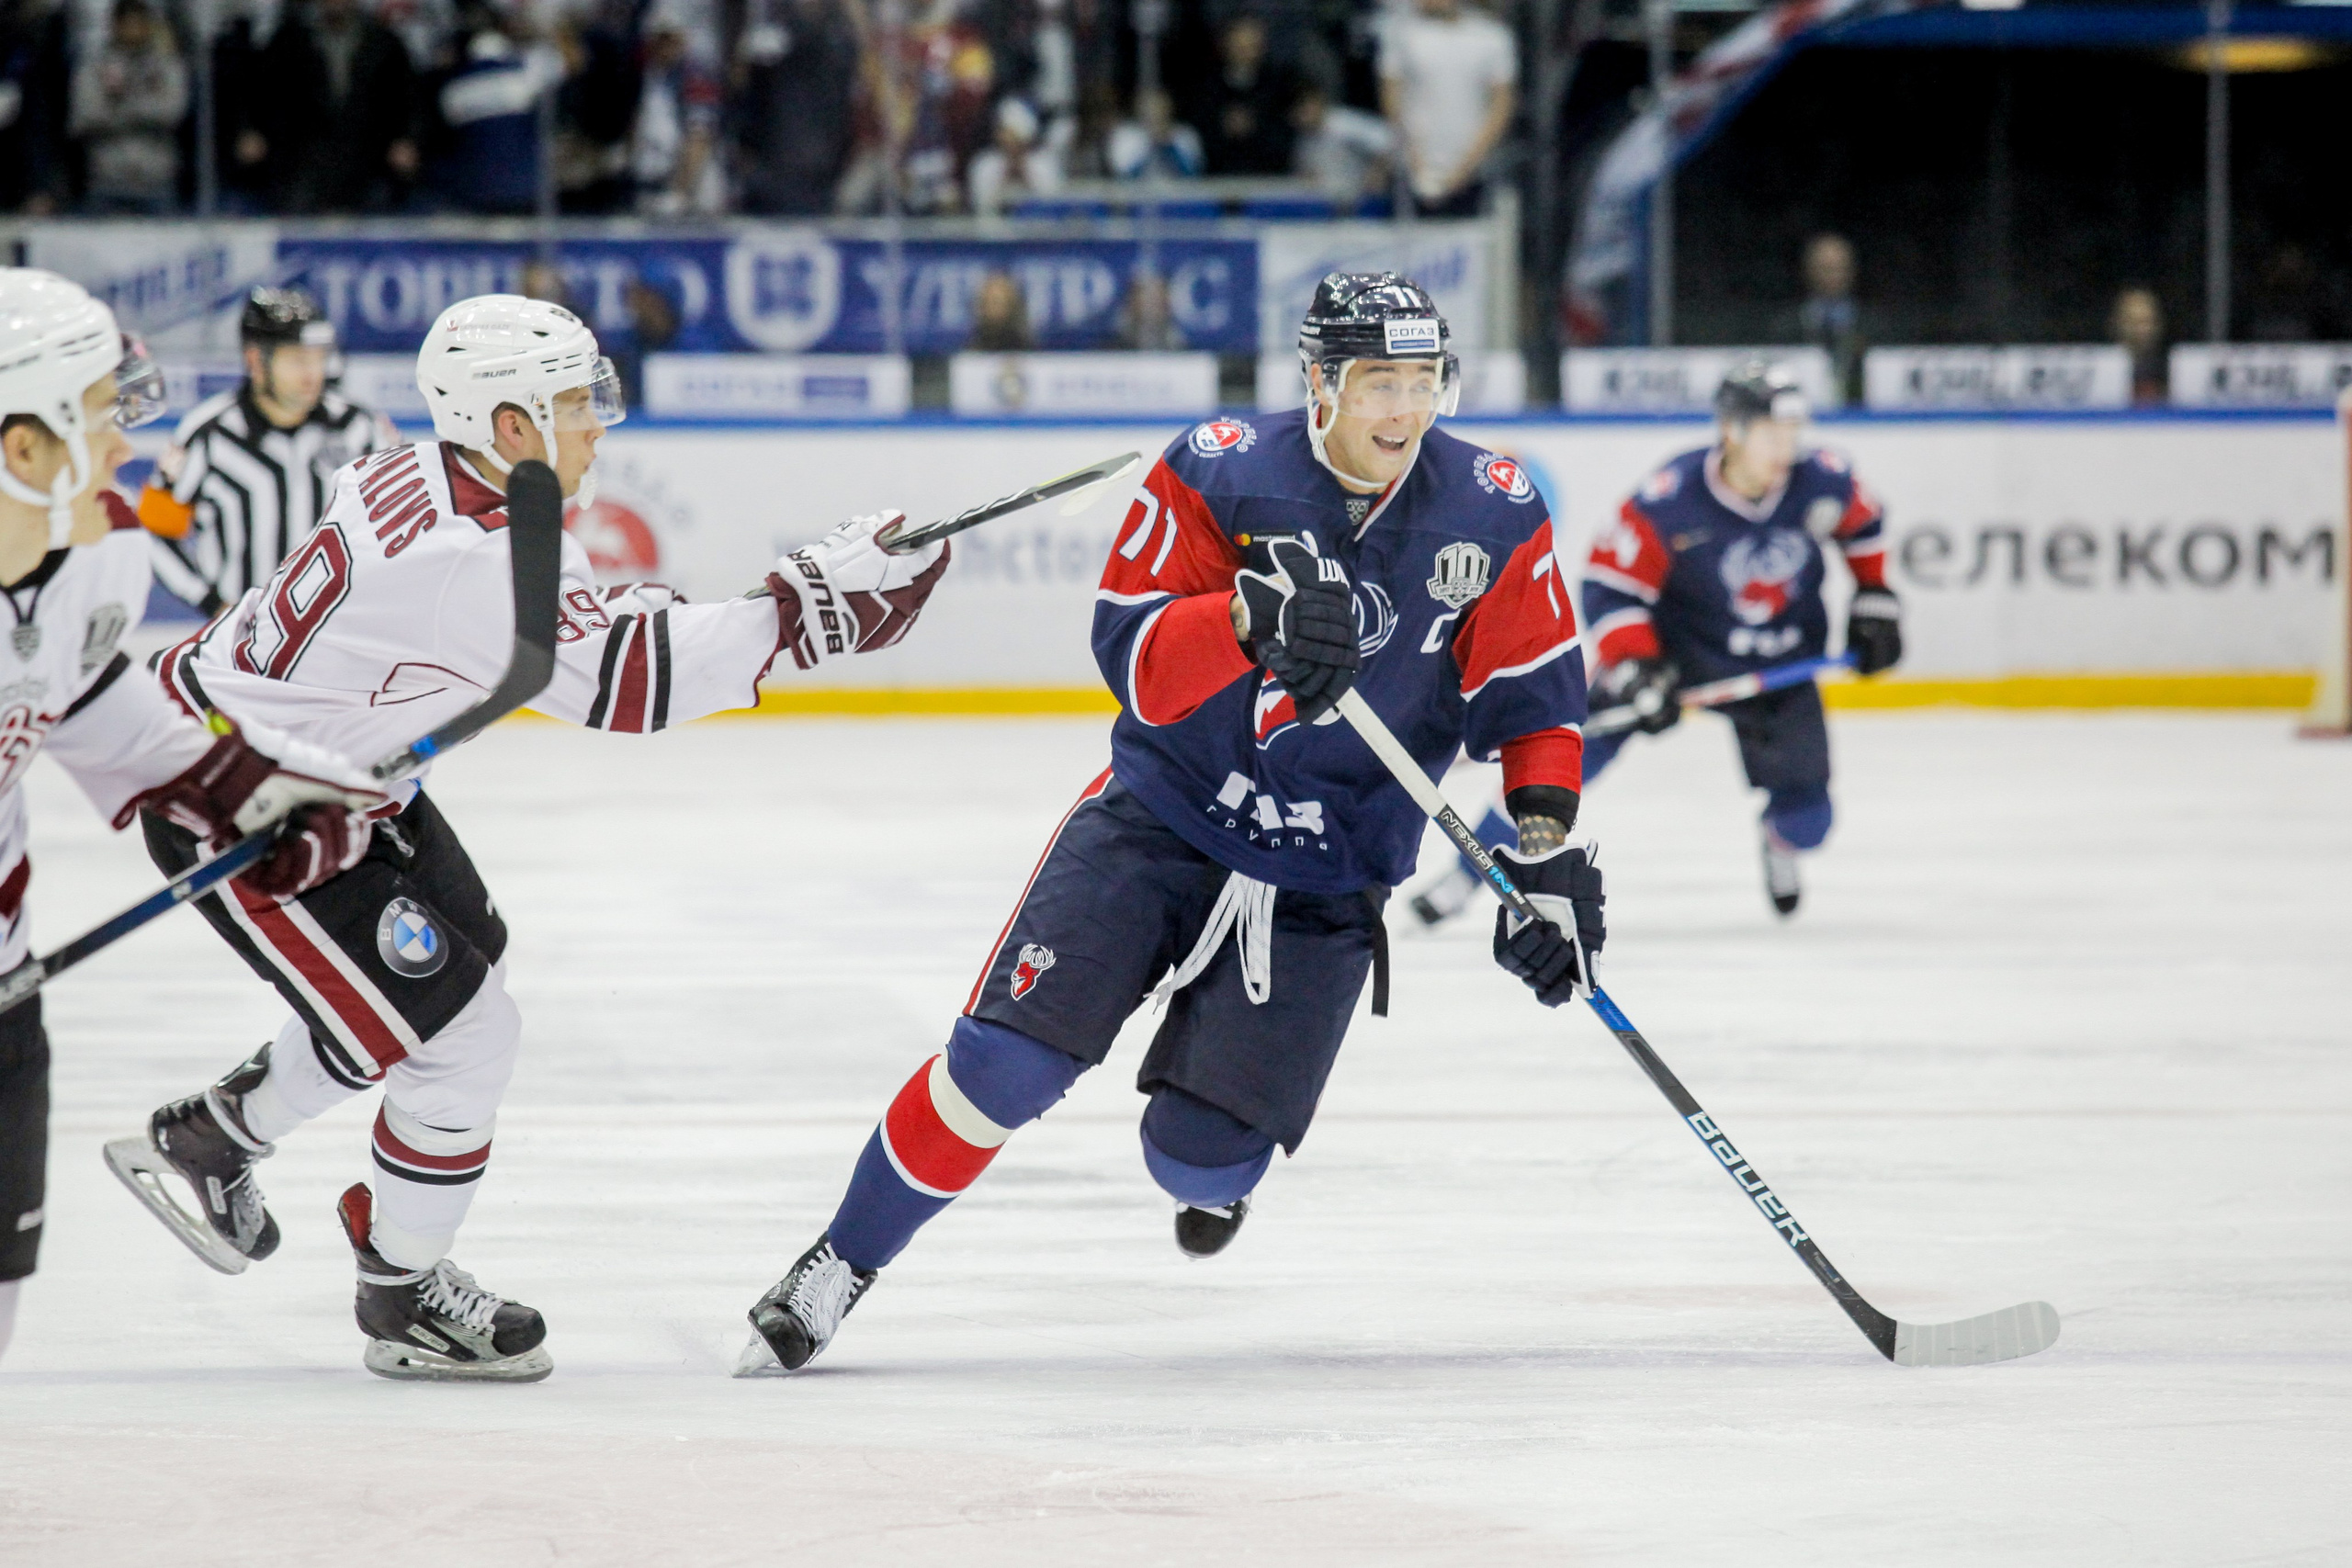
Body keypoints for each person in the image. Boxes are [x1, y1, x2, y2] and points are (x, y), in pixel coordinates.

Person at [735, 272, 1603, 1375]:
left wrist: (1540, 856)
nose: (1402, 409)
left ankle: (1216, 1167)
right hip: (1161, 820)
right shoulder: (1221, 467)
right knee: (997, 1066)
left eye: (1423, 380)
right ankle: (839, 1263)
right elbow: (1133, 666)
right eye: (1378, 380)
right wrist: (1242, 618)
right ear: (1318, 383)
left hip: (1328, 874)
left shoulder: (1491, 503)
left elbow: (1535, 701)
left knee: (1196, 1164)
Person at [108, 294, 952, 1382]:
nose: (600, 420)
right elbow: (626, 683)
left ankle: (221, 1134)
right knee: (463, 1034)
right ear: (507, 424)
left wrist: (775, 598)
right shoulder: (469, 557)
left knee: (457, 970)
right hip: (250, 810)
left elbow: (575, 623)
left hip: (328, 782)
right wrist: (800, 613)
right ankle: (402, 1291)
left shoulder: (429, 479)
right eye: (574, 401)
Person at [0, 268, 380, 1364]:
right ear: (22, 448)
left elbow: (112, 720)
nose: (123, 447)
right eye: (96, 418)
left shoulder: (89, 561)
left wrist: (267, 789)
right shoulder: (176, 476)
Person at [1582, 361, 1898, 916]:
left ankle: (1777, 844)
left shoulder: (1820, 481)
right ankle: (1471, 873)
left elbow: (1865, 526)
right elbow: (1611, 587)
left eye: (1793, 434)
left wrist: (1874, 597)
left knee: (1808, 822)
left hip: (1782, 664)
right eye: (1771, 434)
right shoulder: (1670, 498)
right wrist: (1635, 666)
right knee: (1565, 751)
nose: (1786, 448)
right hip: (1678, 659)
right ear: (1732, 431)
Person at [140, 288, 398, 618]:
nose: (312, 373)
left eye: (319, 357)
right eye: (296, 359)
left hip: (342, 633)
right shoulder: (208, 435)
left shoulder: (361, 429)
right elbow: (154, 532)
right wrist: (213, 605)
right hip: (244, 645)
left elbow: (404, 523)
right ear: (255, 360)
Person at [237, 0, 420, 214]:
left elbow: (408, 98)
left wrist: (408, 139)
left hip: (368, 164)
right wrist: (249, 130)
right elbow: (259, 92)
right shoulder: (290, 40)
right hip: (302, 165)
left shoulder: (383, 42)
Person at [1379, 0, 1513, 219]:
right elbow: (1392, 98)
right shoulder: (1401, 33)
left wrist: (1466, 167)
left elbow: (1500, 106)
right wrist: (1414, 159)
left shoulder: (1492, 37)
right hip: (1413, 172)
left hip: (1471, 173)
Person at [67, 0, 187, 213]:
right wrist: (144, 111)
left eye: (139, 23)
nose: (133, 30)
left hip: (157, 182)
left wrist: (122, 106)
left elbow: (173, 112)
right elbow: (84, 116)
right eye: (127, 24)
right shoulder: (94, 66)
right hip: (106, 182)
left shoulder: (166, 65)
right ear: (114, 26)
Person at [1185, 14, 1298, 176]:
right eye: (1240, 47)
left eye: (1252, 47)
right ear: (1226, 46)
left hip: (1269, 178)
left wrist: (1254, 126)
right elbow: (1195, 135)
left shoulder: (1279, 84)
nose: (1245, 54)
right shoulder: (1206, 85)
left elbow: (1287, 134)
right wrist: (1224, 127)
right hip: (1216, 179)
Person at [1775, 234, 1866, 409]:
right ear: (1809, 270)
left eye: (1840, 268)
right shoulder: (1786, 326)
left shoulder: (1873, 324)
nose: (1833, 276)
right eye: (1826, 268)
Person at [1106, 85, 1203, 182]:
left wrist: (1169, 145)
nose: (1156, 112)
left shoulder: (1185, 134)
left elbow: (1192, 173)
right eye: (1150, 106)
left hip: (1177, 194)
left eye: (1161, 106)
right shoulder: (1125, 135)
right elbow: (1124, 176)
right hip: (1135, 195)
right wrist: (1151, 143)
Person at [2109, 286, 2166, 407]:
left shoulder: (2168, 371)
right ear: (2116, 323)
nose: (2140, 330)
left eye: (2146, 321)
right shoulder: (2103, 369)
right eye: (2132, 322)